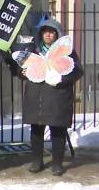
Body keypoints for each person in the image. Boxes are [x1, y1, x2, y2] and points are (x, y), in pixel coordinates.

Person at [8, 18, 82, 176]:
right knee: (36, 130)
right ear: (41, 34)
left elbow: (77, 71)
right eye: (45, 32)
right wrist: (22, 73)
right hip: (37, 98)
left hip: (58, 98)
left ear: (57, 34)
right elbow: (19, 69)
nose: (48, 35)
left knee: (58, 131)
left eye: (51, 32)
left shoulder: (66, 52)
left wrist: (61, 80)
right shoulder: (33, 51)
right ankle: (37, 161)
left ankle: (57, 164)